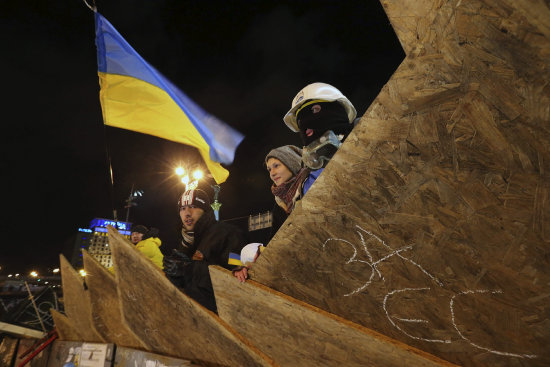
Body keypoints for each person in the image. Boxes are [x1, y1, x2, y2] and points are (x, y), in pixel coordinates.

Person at [177, 188, 245, 312]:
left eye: (192, 206)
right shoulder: (186, 242)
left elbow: (236, 267)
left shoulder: (226, 233)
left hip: (217, 315)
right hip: (189, 312)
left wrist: (239, 267)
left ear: (205, 210)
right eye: (182, 209)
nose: (187, 213)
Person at [283, 82, 358, 193]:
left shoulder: (372, 129)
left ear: (337, 110)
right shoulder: (309, 180)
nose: (305, 125)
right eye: (300, 122)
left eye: (314, 110)